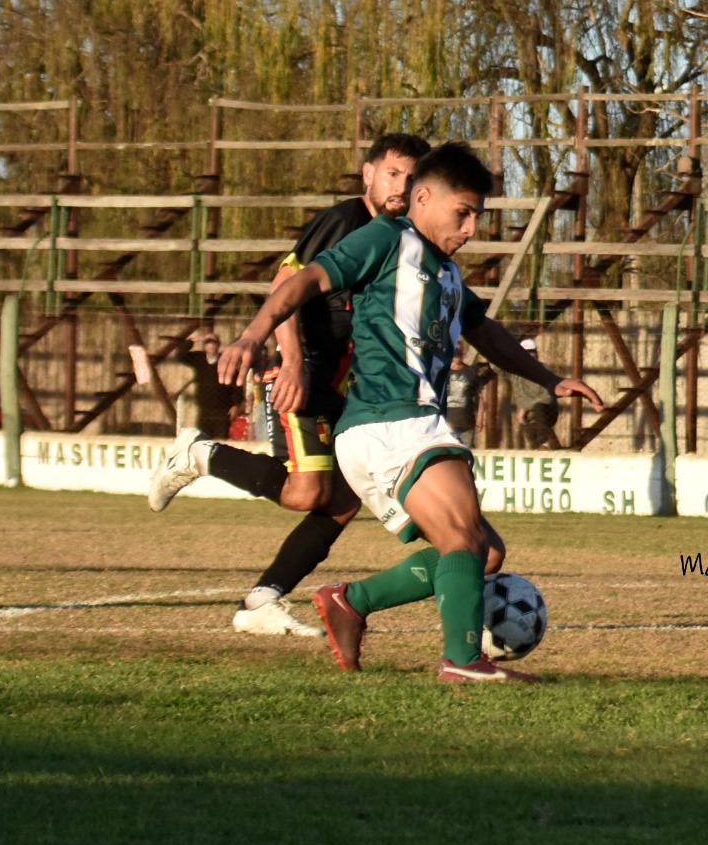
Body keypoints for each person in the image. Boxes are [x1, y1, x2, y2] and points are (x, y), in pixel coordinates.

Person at [217, 141, 603, 683]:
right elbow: (303, 281)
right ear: (422, 199)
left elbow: (486, 331)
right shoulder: (387, 238)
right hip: (390, 419)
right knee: (465, 537)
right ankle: (462, 661)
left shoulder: (445, 272)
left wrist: (550, 379)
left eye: (477, 216)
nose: (471, 228)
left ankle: (351, 601)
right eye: (462, 213)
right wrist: (253, 337)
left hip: (396, 427)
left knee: (484, 552)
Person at [147, 132, 431, 637]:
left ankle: (262, 600)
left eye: (411, 178)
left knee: (342, 501)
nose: (401, 186)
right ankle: (201, 454)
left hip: (343, 385)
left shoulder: (400, 236)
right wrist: (293, 361)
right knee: (307, 493)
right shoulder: (347, 220)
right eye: (392, 174)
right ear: (368, 174)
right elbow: (285, 283)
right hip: (306, 372)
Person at [175, 333, 244, 439]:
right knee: (203, 441)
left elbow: (236, 385)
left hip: (222, 411)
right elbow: (180, 356)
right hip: (204, 411)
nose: (211, 345)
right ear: (204, 345)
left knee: (221, 441)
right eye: (208, 342)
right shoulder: (199, 359)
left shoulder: (226, 361)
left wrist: (236, 404)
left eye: (214, 342)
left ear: (218, 345)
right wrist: (192, 340)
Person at [510, 338, 559, 449]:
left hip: (546, 412)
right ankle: (539, 447)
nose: (530, 355)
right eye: (526, 353)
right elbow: (495, 366)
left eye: (532, 352)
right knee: (532, 438)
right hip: (527, 416)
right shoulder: (515, 372)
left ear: (537, 353)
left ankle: (544, 443)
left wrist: (525, 408)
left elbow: (548, 396)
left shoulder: (546, 371)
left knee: (539, 407)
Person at [444, 347, 487, 447]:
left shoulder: (471, 372)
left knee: (466, 451)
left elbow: (479, 396)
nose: (456, 357)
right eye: (454, 354)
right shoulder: (443, 372)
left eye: (458, 354)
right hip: (447, 423)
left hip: (467, 423)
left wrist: (480, 417)